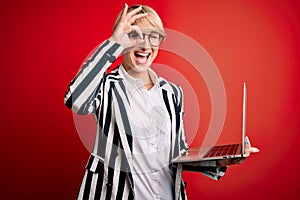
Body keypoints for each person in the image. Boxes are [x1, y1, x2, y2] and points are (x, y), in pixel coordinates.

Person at [64, 4, 259, 200]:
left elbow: (177, 156)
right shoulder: (106, 86)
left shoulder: (172, 92)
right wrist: (113, 42)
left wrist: (222, 160)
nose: (145, 46)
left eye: (153, 36)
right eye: (135, 36)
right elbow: (76, 100)